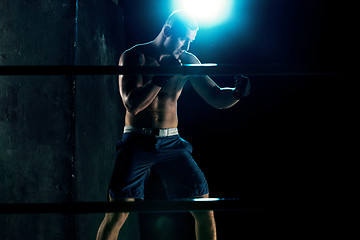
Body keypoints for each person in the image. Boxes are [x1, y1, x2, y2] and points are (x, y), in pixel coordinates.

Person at [96, 10, 250, 240]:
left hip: (172, 143)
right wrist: (160, 77)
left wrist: (237, 94)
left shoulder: (187, 60)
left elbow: (215, 95)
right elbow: (132, 104)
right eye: (182, 38)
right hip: (137, 141)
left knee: (204, 210)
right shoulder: (134, 57)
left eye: (191, 40)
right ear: (167, 31)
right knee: (117, 214)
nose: (186, 45)